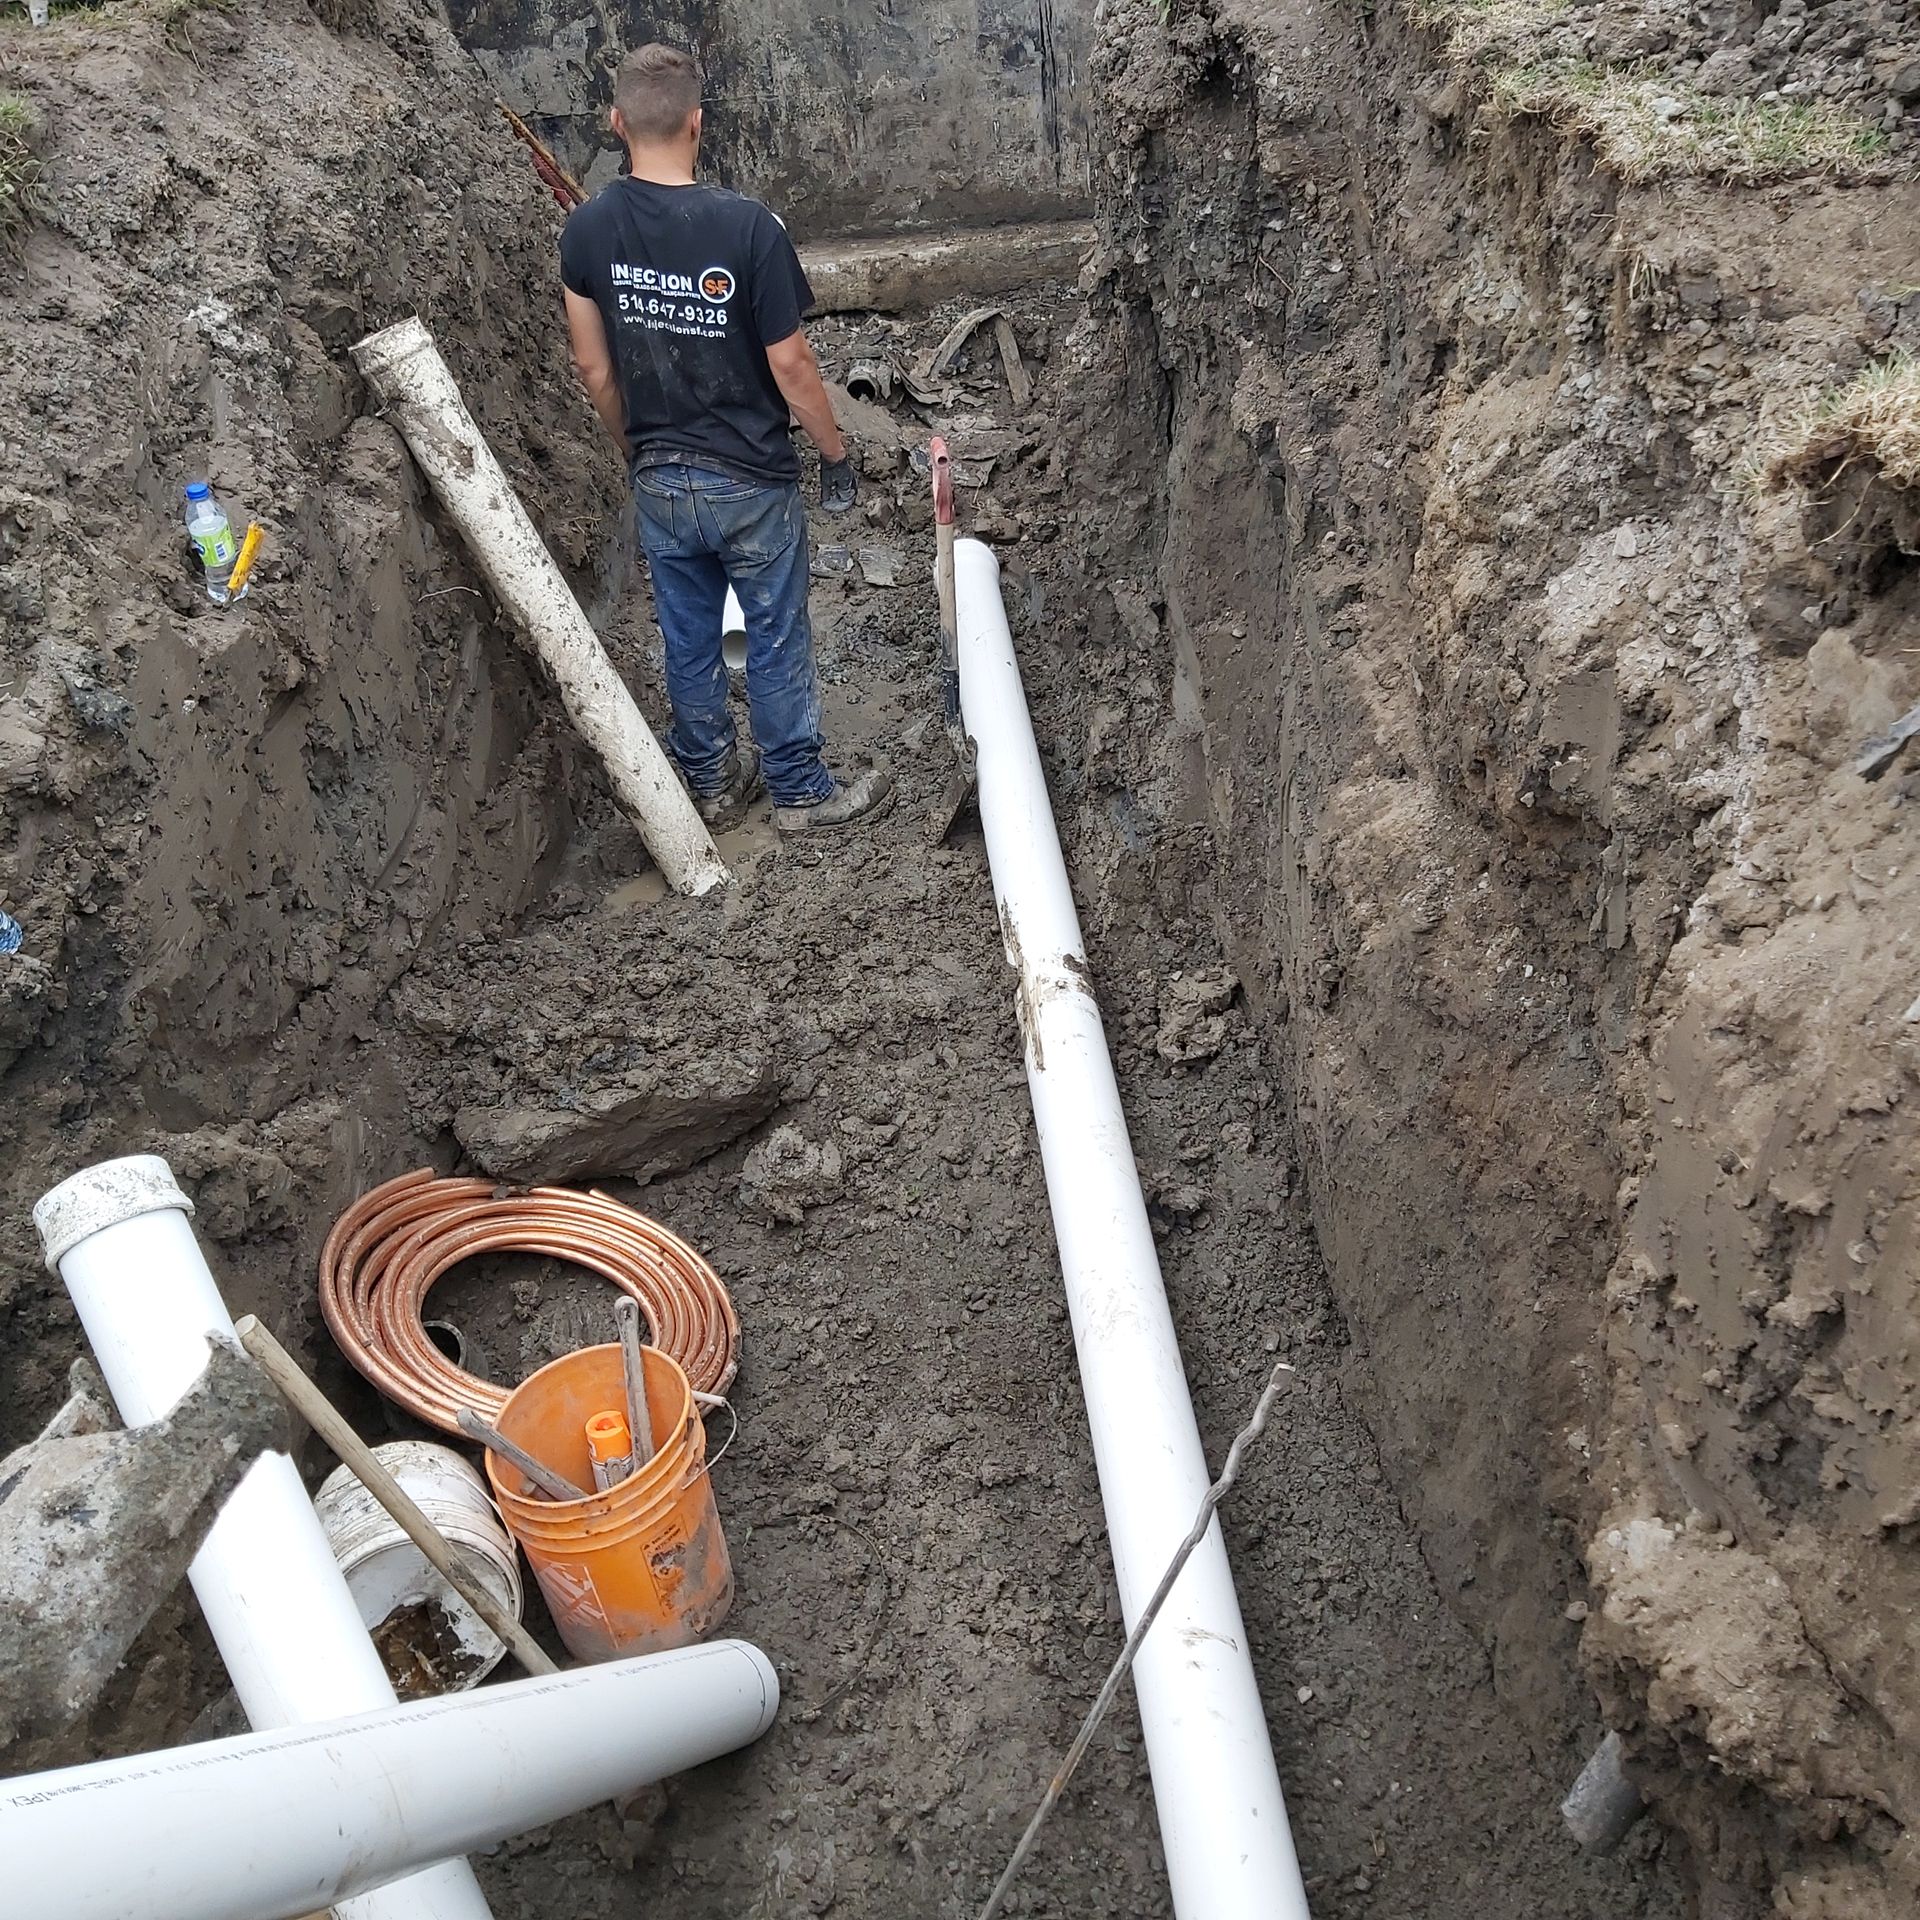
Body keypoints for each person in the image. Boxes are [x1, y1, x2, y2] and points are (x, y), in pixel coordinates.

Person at [559, 43, 892, 834]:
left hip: (662, 479)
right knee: (774, 633)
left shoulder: (586, 230)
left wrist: (635, 450)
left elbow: (592, 369)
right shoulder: (749, 229)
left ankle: (710, 783)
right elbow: (792, 364)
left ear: (615, 124)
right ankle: (800, 792)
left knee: (688, 636)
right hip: (751, 481)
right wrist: (835, 456)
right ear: (698, 123)